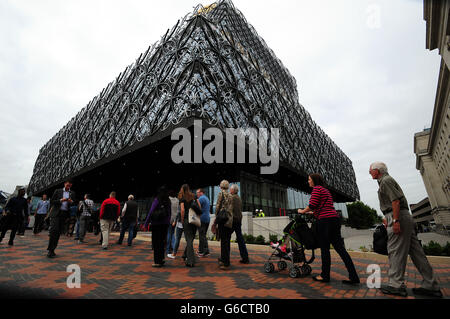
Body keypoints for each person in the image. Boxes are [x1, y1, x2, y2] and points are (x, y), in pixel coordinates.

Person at [369, 162, 442, 298]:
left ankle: (396, 285)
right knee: (417, 253)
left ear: (377, 171)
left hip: (399, 217)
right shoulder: (386, 181)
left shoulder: (385, 181)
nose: (369, 172)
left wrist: (395, 220)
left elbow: (395, 201)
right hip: (402, 216)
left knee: (395, 251)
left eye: (370, 170)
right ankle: (431, 285)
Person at [298, 173, 359, 285]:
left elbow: (312, 204)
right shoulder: (325, 191)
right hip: (334, 220)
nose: (308, 181)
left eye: (309, 179)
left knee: (325, 249)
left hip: (325, 221)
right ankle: (353, 276)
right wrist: (313, 212)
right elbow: (323, 207)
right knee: (340, 249)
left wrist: (302, 211)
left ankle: (325, 275)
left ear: (314, 180)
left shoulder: (316, 189)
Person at [47, 180, 76, 258]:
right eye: (67, 184)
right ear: (64, 184)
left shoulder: (72, 193)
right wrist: (60, 200)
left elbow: (74, 203)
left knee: (59, 232)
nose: (68, 186)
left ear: (71, 185)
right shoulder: (58, 191)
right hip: (56, 213)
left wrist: (71, 202)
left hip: (64, 214)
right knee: (54, 230)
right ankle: (50, 250)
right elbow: (52, 201)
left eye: (70, 185)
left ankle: (53, 249)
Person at [144, 187, 171, 267]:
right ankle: (162, 259)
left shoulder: (157, 200)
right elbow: (169, 213)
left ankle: (157, 261)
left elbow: (151, 212)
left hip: (156, 224)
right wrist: (168, 222)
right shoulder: (168, 200)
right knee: (162, 241)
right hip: (165, 224)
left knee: (156, 243)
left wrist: (146, 223)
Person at [179, 184, 201, 267]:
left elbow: (182, 210)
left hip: (186, 220)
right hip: (194, 219)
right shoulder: (194, 196)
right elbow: (199, 206)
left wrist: (182, 219)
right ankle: (185, 255)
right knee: (191, 238)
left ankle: (190, 261)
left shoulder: (182, 198)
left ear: (183, 189)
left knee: (188, 239)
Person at [214, 180, 234, 270]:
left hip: (222, 219)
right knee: (226, 240)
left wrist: (216, 216)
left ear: (221, 186)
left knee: (223, 241)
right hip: (229, 219)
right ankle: (225, 259)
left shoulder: (221, 194)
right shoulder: (230, 195)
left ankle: (225, 262)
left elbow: (218, 206)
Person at [229, 184, 250, 264]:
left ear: (233, 190)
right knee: (240, 239)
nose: (230, 190)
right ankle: (245, 257)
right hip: (238, 220)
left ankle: (225, 257)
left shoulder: (232, 197)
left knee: (226, 238)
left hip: (233, 220)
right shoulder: (238, 198)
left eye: (231, 189)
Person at [196, 188, 211, 257]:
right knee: (203, 235)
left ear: (201, 192)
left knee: (202, 236)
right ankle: (200, 249)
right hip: (207, 219)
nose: (197, 194)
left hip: (202, 219)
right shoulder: (206, 198)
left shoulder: (201, 198)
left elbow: (196, 207)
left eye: (198, 192)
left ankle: (205, 251)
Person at [166, 190, 180, 258]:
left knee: (168, 233)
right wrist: (175, 220)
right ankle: (174, 248)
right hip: (175, 219)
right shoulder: (177, 200)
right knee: (172, 233)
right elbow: (177, 211)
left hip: (168, 219)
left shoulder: (168, 199)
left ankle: (168, 249)